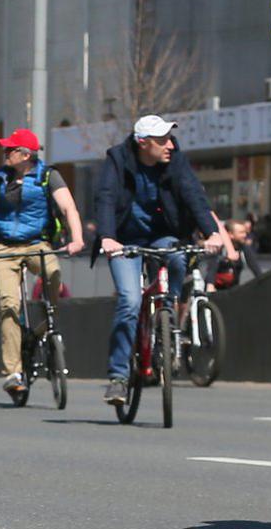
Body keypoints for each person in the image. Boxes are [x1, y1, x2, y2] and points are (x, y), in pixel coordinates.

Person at [94, 115, 222, 406]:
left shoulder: (175, 159)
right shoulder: (117, 160)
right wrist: (107, 237)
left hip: (162, 236)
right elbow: (105, 198)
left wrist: (211, 232)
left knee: (177, 257)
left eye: (170, 138)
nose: (169, 145)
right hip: (124, 240)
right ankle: (118, 377)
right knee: (129, 301)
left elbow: (193, 195)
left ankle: (168, 315)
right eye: (162, 140)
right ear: (143, 143)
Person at [0, 128, 85, 400]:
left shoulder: (48, 176)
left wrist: (77, 239)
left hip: (36, 243)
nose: (5, 153)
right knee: (9, 304)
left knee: (53, 272)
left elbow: (68, 208)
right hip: (4, 246)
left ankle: (44, 324)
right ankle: (13, 373)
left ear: (25, 155)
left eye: (10, 149)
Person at [212, 218, 262, 290]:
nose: (245, 235)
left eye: (245, 232)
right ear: (230, 234)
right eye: (241, 232)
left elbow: (256, 269)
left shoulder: (244, 249)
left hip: (234, 290)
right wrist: (210, 286)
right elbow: (211, 271)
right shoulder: (219, 248)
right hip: (215, 290)